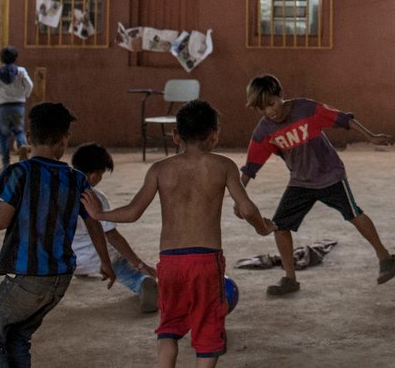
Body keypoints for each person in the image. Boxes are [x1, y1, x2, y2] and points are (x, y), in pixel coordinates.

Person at [81, 99, 274, 367]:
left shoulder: (160, 169)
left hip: (171, 263)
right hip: (206, 262)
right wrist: (263, 228)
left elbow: (133, 212)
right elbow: (247, 208)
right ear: (215, 136)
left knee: (169, 327)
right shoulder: (224, 166)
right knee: (208, 331)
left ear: (175, 136)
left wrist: (99, 215)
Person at [0, 102, 114, 367]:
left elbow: (1, 219)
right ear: (65, 140)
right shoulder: (77, 179)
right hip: (60, 277)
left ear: (28, 137)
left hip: (29, 277)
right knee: (17, 338)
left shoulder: (18, 173)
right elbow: (95, 224)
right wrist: (105, 262)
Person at [239, 74, 395, 295]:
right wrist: (239, 197)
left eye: (272, 103)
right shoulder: (264, 130)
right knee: (280, 226)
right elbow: (251, 166)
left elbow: (343, 119)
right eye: (262, 108)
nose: (269, 111)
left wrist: (371, 137)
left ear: (280, 95)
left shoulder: (306, 109)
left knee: (353, 213)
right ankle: (290, 279)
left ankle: (385, 257)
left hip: (329, 176)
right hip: (300, 182)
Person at [70, 143, 160, 313]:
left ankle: (74, 272)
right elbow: (112, 236)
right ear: (93, 176)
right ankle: (141, 282)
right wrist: (139, 264)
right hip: (98, 260)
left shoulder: (58, 193)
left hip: (66, 260)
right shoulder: (96, 199)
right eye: (101, 174)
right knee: (123, 267)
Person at [0, 46, 33, 168]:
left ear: (1, 59)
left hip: (3, 107)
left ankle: (6, 163)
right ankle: (22, 145)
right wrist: (24, 95)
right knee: (19, 130)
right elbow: (29, 85)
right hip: (18, 105)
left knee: (4, 136)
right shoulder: (21, 71)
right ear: (15, 58)